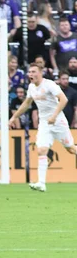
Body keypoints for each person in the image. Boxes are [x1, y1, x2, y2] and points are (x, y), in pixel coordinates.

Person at [10, 63, 77, 192]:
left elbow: (63, 99)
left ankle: (41, 182)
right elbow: (26, 103)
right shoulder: (31, 87)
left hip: (58, 122)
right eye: (29, 72)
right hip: (45, 124)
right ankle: (41, 183)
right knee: (41, 150)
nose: (31, 74)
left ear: (40, 73)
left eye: (34, 72)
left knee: (71, 149)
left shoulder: (49, 84)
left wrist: (54, 115)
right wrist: (14, 117)